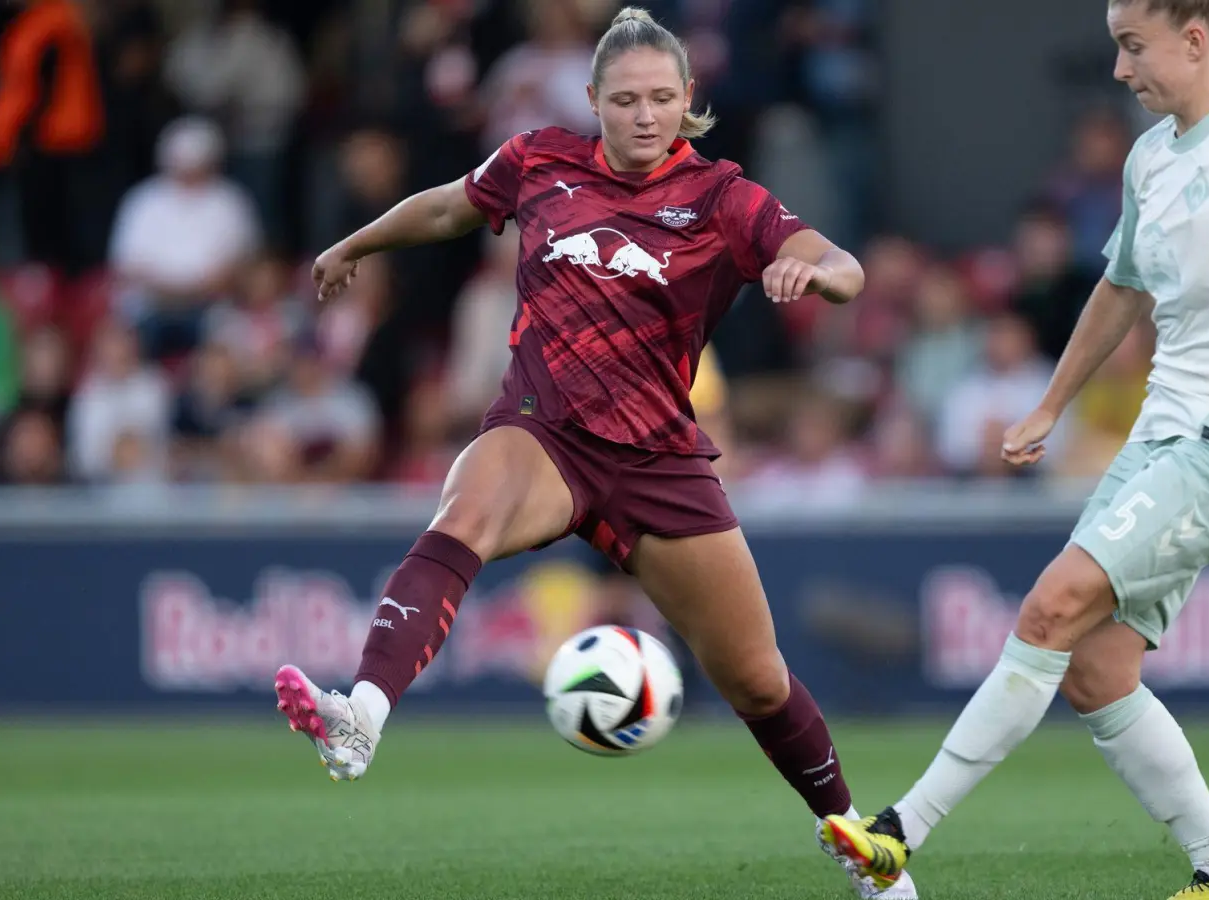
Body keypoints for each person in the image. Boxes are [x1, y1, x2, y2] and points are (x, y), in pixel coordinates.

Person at [270, 9, 915, 899]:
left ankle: (866, 863)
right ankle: (361, 717)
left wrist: (815, 274)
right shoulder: (539, 159)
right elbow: (451, 207)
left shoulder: (726, 197)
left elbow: (840, 262)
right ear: (593, 102)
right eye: (625, 100)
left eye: (661, 98)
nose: (645, 115)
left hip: (659, 462)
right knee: (464, 511)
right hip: (545, 430)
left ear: (689, 99)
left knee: (760, 683)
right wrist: (356, 241)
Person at [818, 2, 1209, 898]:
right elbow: (1119, 290)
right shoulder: (1151, 156)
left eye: (1133, 47)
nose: (1121, 71)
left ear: (1195, 40)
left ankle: (898, 831)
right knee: (1093, 667)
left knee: (1050, 608)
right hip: (1161, 434)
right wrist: (1052, 404)